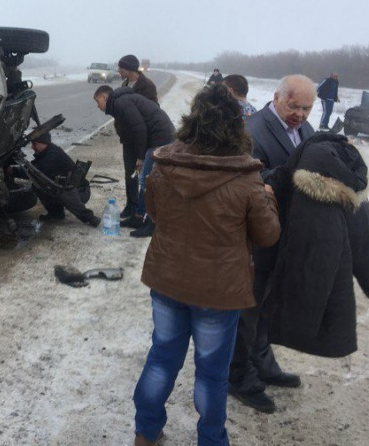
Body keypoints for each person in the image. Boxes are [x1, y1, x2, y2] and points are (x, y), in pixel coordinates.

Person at [132, 83, 280, 446]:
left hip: (167, 282)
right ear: (236, 126)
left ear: (191, 120)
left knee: (162, 359)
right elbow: (268, 235)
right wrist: (269, 200)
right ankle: (212, 440)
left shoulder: (162, 164)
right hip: (218, 292)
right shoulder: (247, 179)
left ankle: (145, 433)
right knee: (212, 374)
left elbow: (153, 212)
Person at [229, 74, 315, 413]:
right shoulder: (253, 129)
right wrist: (283, 178)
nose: (300, 114)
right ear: (277, 98)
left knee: (266, 305)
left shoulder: (306, 130)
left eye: (307, 108)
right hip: (255, 234)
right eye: (294, 106)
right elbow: (244, 179)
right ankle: (237, 374)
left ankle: (263, 363)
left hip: (284, 231)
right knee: (246, 307)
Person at [264, 133, 369, 357]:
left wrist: (292, 325)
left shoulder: (311, 194)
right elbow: (366, 240)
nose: (301, 113)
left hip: (307, 283)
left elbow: (309, 261)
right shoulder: (349, 180)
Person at [93, 85, 174, 238]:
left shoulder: (121, 103)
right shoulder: (120, 102)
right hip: (157, 136)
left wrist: (141, 157)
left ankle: (151, 223)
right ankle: (138, 217)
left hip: (160, 137)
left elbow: (140, 129)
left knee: (147, 181)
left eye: (98, 101)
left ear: (104, 97)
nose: (97, 106)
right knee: (145, 179)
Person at [115, 54, 159, 221]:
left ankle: (142, 210)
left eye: (121, 68)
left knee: (142, 174)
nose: (118, 71)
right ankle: (131, 206)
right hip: (128, 138)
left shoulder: (147, 86)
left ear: (130, 69)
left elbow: (153, 111)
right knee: (129, 173)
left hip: (143, 137)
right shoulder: (125, 84)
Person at [27, 132, 101, 227]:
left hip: (81, 192)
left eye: (34, 144)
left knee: (62, 188)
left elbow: (34, 171)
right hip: (72, 189)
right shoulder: (47, 151)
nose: (32, 147)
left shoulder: (53, 156)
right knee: (39, 184)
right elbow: (33, 167)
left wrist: (13, 170)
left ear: (43, 143)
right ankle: (56, 214)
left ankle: (90, 218)